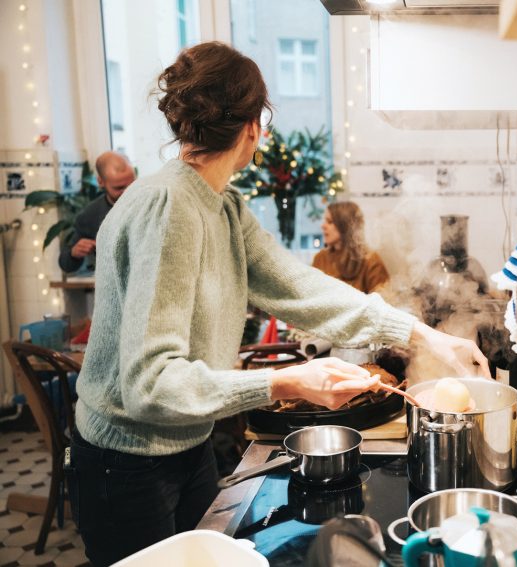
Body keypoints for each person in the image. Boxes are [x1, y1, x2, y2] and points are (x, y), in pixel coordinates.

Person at [66, 41, 489, 567]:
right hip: (128, 464)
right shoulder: (168, 205)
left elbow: (297, 287)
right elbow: (151, 383)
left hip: (186, 446)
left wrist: (421, 334)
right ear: (252, 128)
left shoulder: (222, 205)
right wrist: (284, 383)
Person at [58, 151, 136, 273]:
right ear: (101, 182)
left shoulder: (153, 202)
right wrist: (74, 253)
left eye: (132, 184)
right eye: (119, 188)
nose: (128, 192)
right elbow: (65, 263)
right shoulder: (89, 216)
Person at [312, 201, 390, 293]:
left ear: (345, 225)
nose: (323, 226)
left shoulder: (370, 260)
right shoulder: (320, 258)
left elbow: (383, 302)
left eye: (330, 222)